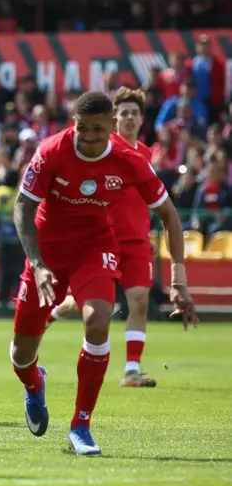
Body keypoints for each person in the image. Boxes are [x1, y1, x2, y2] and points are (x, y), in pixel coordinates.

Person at [12, 91, 197, 456]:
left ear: (112, 126)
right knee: (20, 355)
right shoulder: (51, 151)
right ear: (73, 124)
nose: (90, 136)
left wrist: (179, 280)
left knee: (98, 322)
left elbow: (170, 216)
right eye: (83, 129)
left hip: (94, 248)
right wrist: (36, 264)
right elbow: (22, 208)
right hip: (46, 252)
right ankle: (35, 383)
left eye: (98, 129)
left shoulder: (128, 159)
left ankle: (81, 425)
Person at [49, 87, 159, 387]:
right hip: (103, 239)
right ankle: (54, 311)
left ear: (141, 119)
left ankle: (132, 370)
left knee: (139, 302)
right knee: (94, 308)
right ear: (114, 119)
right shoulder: (100, 150)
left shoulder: (146, 154)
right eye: (123, 112)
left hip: (136, 240)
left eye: (134, 113)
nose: (129, 118)